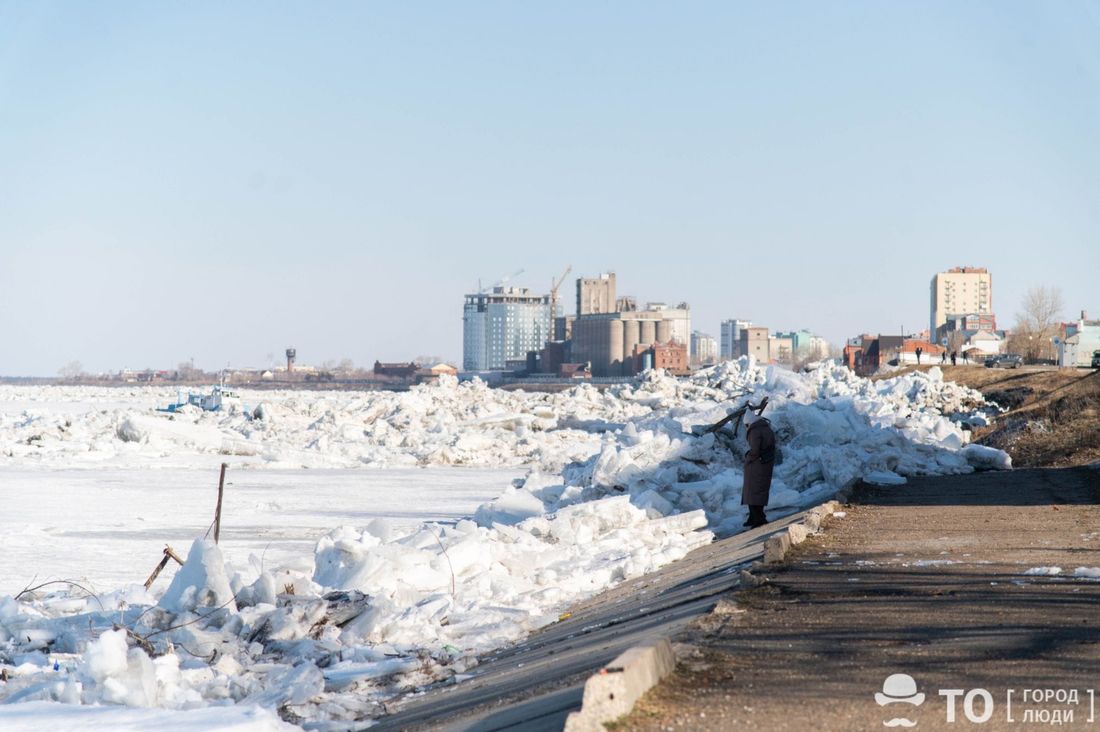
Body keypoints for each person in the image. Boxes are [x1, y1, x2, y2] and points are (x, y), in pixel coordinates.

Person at [742, 407, 776, 528]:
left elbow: (755, 450)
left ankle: (758, 519)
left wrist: (748, 458)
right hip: (766, 463)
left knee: (752, 492)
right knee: (760, 491)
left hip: (756, 466)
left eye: (746, 425)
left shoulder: (754, 431)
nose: (746, 427)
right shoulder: (766, 428)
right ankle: (754, 517)